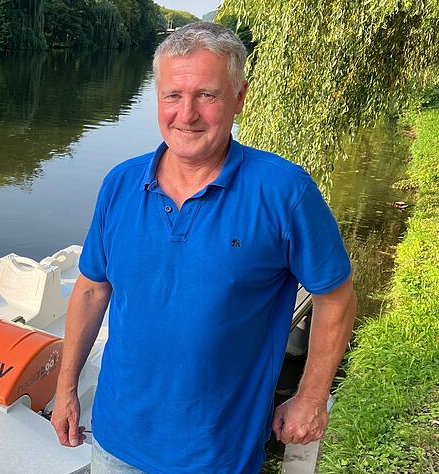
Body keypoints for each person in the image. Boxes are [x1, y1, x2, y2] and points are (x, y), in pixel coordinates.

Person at [50, 22, 357, 473]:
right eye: (173, 95)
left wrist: (310, 398)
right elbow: (93, 289)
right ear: (157, 97)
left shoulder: (283, 192)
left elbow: (336, 296)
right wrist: (65, 388)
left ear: (239, 98)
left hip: (218, 454)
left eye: (207, 96)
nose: (187, 114)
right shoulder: (120, 183)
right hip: (115, 441)